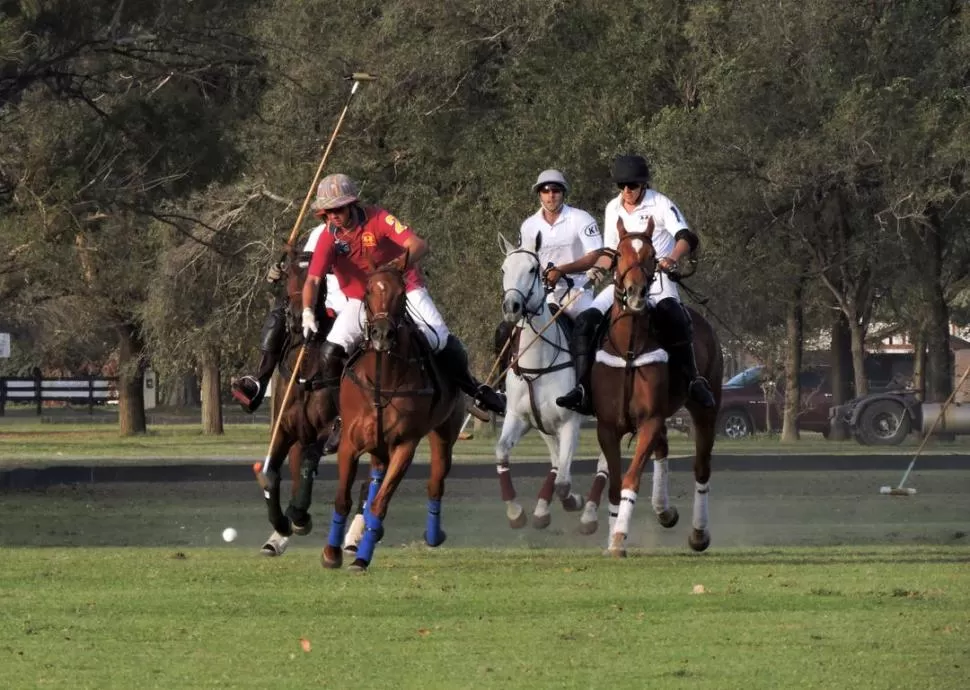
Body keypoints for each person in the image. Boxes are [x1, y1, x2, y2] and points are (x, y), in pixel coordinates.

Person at [301, 172, 506, 420]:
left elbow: (418, 244)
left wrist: (394, 267)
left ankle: (473, 389)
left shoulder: (377, 217)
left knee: (438, 338)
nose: (334, 215)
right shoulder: (327, 237)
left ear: (352, 204)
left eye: (339, 208)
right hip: (363, 300)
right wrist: (307, 311)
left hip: (404, 288)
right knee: (330, 351)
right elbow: (313, 279)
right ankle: (341, 418)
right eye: (328, 211)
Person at [547, 154, 716, 414]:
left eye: (632, 185)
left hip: (657, 281)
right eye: (622, 186)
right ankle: (582, 388)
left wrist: (671, 258)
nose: (627, 191)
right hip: (622, 283)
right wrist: (597, 270)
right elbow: (610, 251)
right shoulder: (612, 208)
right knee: (585, 322)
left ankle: (693, 380)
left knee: (676, 318)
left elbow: (685, 237)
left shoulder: (660, 204)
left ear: (643, 185)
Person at [230, 215, 349, 414]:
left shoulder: (361, 232)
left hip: (346, 300)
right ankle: (260, 380)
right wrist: (280, 274)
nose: (333, 214)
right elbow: (302, 271)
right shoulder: (318, 233)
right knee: (279, 314)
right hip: (316, 298)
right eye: (328, 210)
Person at [493, 169, 603, 377]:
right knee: (506, 329)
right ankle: (502, 388)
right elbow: (524, 261)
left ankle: (586, 385)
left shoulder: (580, 218)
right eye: (545, 190)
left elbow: (595, 254)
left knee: (589, 329)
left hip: (578, 291)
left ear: (563, 193)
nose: (551, 195)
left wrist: (562, 270)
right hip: (542, 293)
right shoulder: (529, 226)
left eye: (556, 190)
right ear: (539, 194)